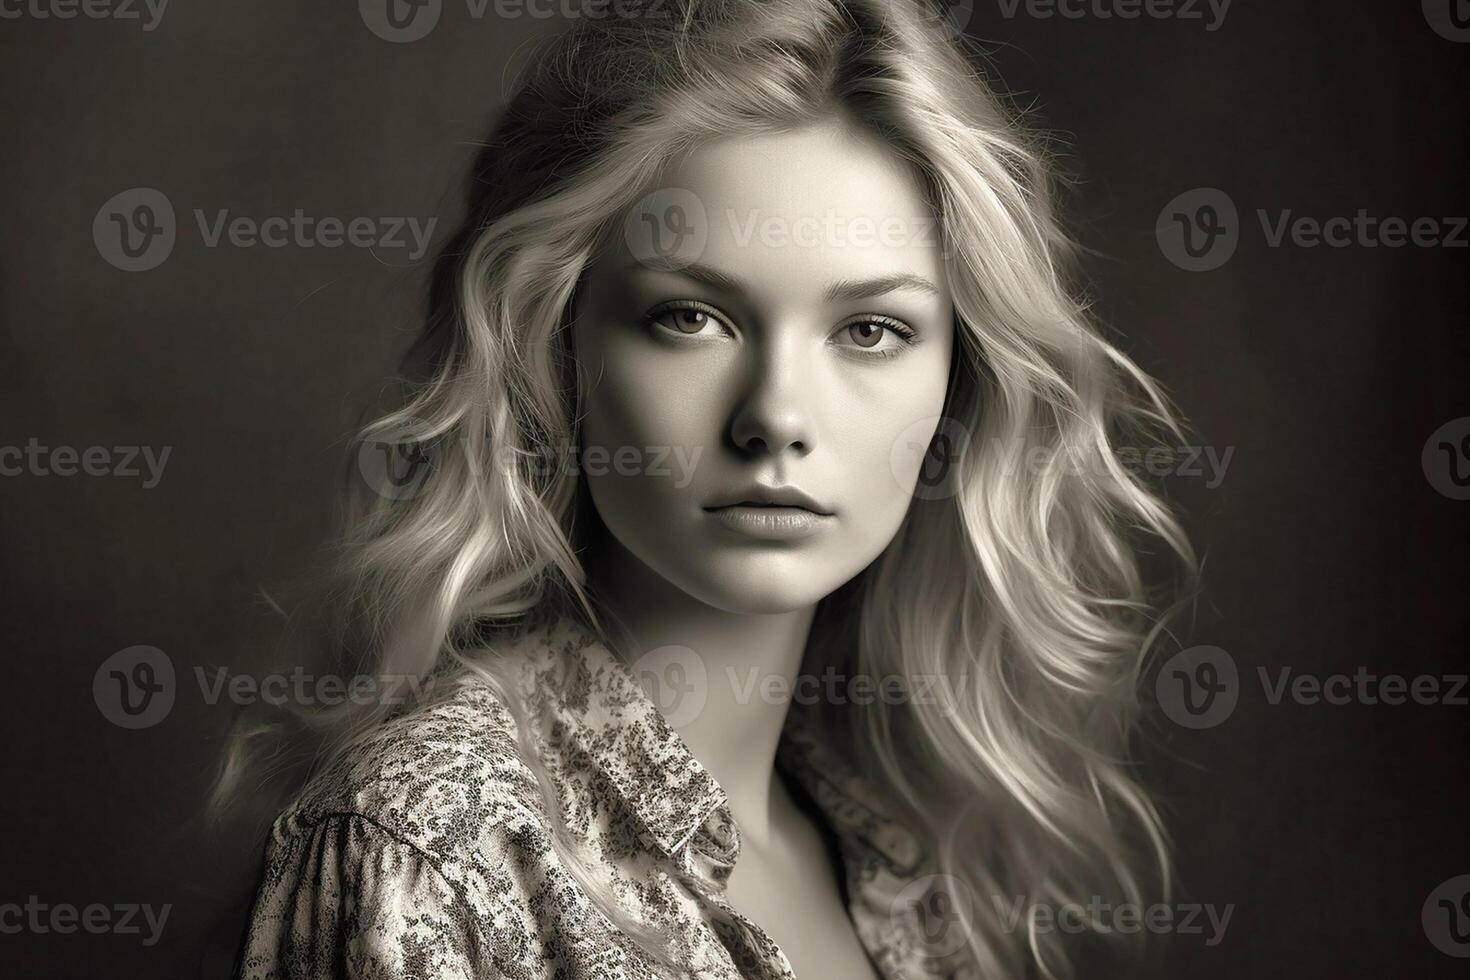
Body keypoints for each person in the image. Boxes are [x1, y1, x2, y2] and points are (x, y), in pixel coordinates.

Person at [220, 1, 1195, 977]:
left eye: (869, 330)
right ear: (553, 346)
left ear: (961, 383)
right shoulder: (435, 843)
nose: (775, 415)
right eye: (689, 316)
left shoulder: (906, 861)